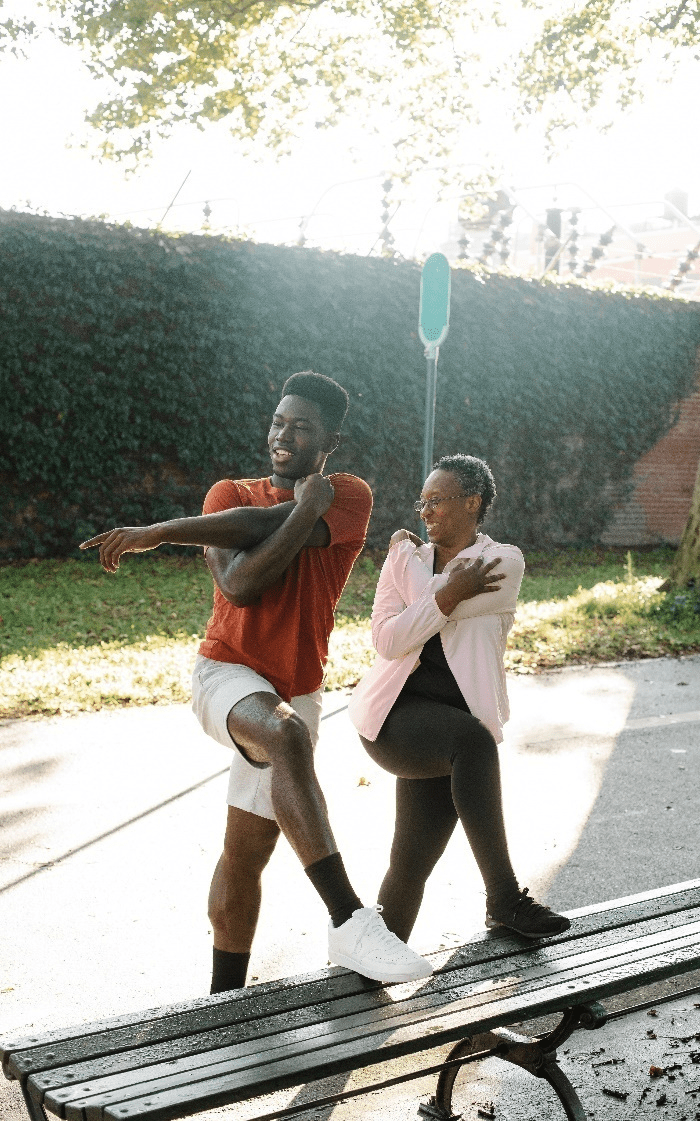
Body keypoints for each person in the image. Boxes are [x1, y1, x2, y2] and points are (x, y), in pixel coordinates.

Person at [80, 371, 432, 988]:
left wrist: (299, 509)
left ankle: (223, 1000)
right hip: (227, 673)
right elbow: (241, 584)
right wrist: (165, 531)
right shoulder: (225, 496)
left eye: (302, 427)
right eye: (277, 422)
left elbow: (260, 533)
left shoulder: (349, 494)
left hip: (298, 686)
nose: (283, 436)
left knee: (246, 855)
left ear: (330, 442)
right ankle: (349, 919)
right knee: (285, 736)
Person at [347, 453, 571, 943]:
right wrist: (447, 593)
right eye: (421, 502)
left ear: (472, 502)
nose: (424, 512)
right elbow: (387, 642)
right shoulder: (406, 559)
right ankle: (505, 899)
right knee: (473, 744)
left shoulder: (503, 561)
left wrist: (418, 584)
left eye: (436, 501)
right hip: (392, 720)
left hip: (448, 730)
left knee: (411, 860)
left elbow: (417, 608)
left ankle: (371, 962)